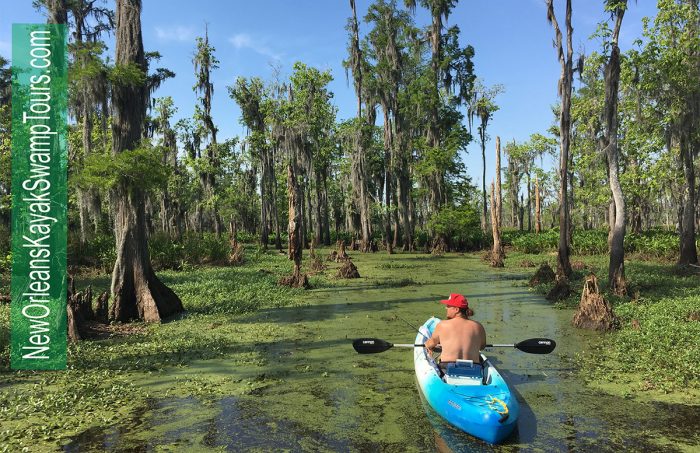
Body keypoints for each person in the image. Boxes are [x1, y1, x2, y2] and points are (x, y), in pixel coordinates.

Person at [424, 293, 486, 374]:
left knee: (439, 358)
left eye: (448, 306)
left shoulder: (443, 325)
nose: (446, 308)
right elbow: (482, 347)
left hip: (448, 368)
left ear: (456, 309)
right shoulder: (478, 326)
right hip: (474, 368)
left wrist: (427, 343)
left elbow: (430, 344)